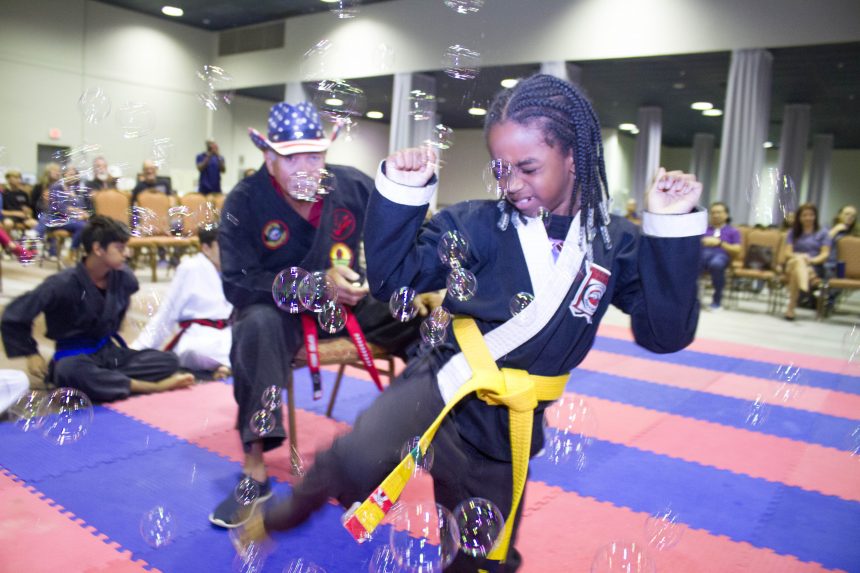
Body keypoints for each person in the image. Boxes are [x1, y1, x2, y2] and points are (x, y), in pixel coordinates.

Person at [236, 75, 705, 572]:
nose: (511, 184)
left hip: (503, 426)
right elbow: (394, 280)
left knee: (478, 558)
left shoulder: (615, 244)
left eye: (528, 167)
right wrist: (404, 192)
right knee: (353, 460)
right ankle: (280, 514)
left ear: (573, 156)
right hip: (441, 381)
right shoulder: (476, 225)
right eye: (501, 169)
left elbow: (665, 335)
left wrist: (672, 229)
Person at [209, 101, 428, 529]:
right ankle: (255, 471)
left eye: (314, 155)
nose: (306, 168)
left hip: (349, 301)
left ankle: (388, 447)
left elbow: (407, 230)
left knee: (425, 324)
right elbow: (236, 283)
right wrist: (311, 286)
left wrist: (424, 282)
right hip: (279, 311)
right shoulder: (244, 201)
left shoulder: (351, 186)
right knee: (253, 327)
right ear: (269, 158)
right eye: (292, 158)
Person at [0, 216, 194, 402]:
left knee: (169, 361)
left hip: (108, 352)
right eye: (120, 248)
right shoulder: (61, 284)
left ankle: (104, 381)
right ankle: (149, 386)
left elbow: (121, 305)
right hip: (75, 356)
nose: (127, 254)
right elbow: (15, 315)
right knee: (71, 372)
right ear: (98, 249)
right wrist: (31, 353)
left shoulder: (123, 277)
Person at [130, 225, 232, 379]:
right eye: (223, 246)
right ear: (206, 248)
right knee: (195, 351)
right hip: (199, 334)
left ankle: (225, 365)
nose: (229, 251)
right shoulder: (190, 268)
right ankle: (227, 365)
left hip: (227, 332)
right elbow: (168, 311)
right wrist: (139, 348)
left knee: (252, 342)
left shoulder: (233, 269)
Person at [782, 203, 831, 320]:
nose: (808, 218)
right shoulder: (793, 232)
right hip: (794, 263)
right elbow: (787, 253)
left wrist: (811, 260)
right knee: (798, 260)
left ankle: (790, 308)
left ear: (815, 216)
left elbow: (825, 254)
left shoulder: (823, 233)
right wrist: (800, 256)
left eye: (811, 215)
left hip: (814, 266)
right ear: (799, 217)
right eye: (805, 215)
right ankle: (804, 284)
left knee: (796, 270)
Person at [700, 202, 741, 310]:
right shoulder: (703, 229)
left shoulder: (733, 231)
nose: (715, 215)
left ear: (726, 215)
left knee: (716, 264)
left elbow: (737, 249)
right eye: (713, 213)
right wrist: (702, 242)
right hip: (702, 255)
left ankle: (717, 299)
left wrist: (720, 243)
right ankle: (692, 299)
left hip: (721, 256)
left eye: (718, 212)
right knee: (690, 264)